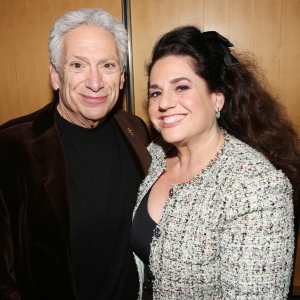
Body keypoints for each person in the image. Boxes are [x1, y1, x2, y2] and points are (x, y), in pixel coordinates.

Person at [131, 26, 300, 299]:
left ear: (217, 99)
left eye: (182, 87)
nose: (165, 103)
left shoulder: (256, 186)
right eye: (155, 92)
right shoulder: (155, 156)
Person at [0, 8, 151, 300]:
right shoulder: (11, 147)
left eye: (107, 65)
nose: (95, 82)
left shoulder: (136, 130)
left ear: (121, 78)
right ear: (55, 76)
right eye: (78, 65)